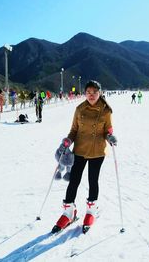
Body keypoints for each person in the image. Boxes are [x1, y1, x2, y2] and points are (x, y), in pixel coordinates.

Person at [52, 80, 117, 234]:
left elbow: (108, 131)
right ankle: (69, 213)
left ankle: (90, 211)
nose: (91, 95)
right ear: (85, 93)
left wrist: (110, 137)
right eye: (88, 92)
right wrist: (68, 140)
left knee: (92, 180)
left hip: (97, 152)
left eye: (94, 92)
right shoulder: (79, 109)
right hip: (79, 151)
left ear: (99, 93)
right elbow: (74, 130)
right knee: (73, 181)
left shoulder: (106, 111)